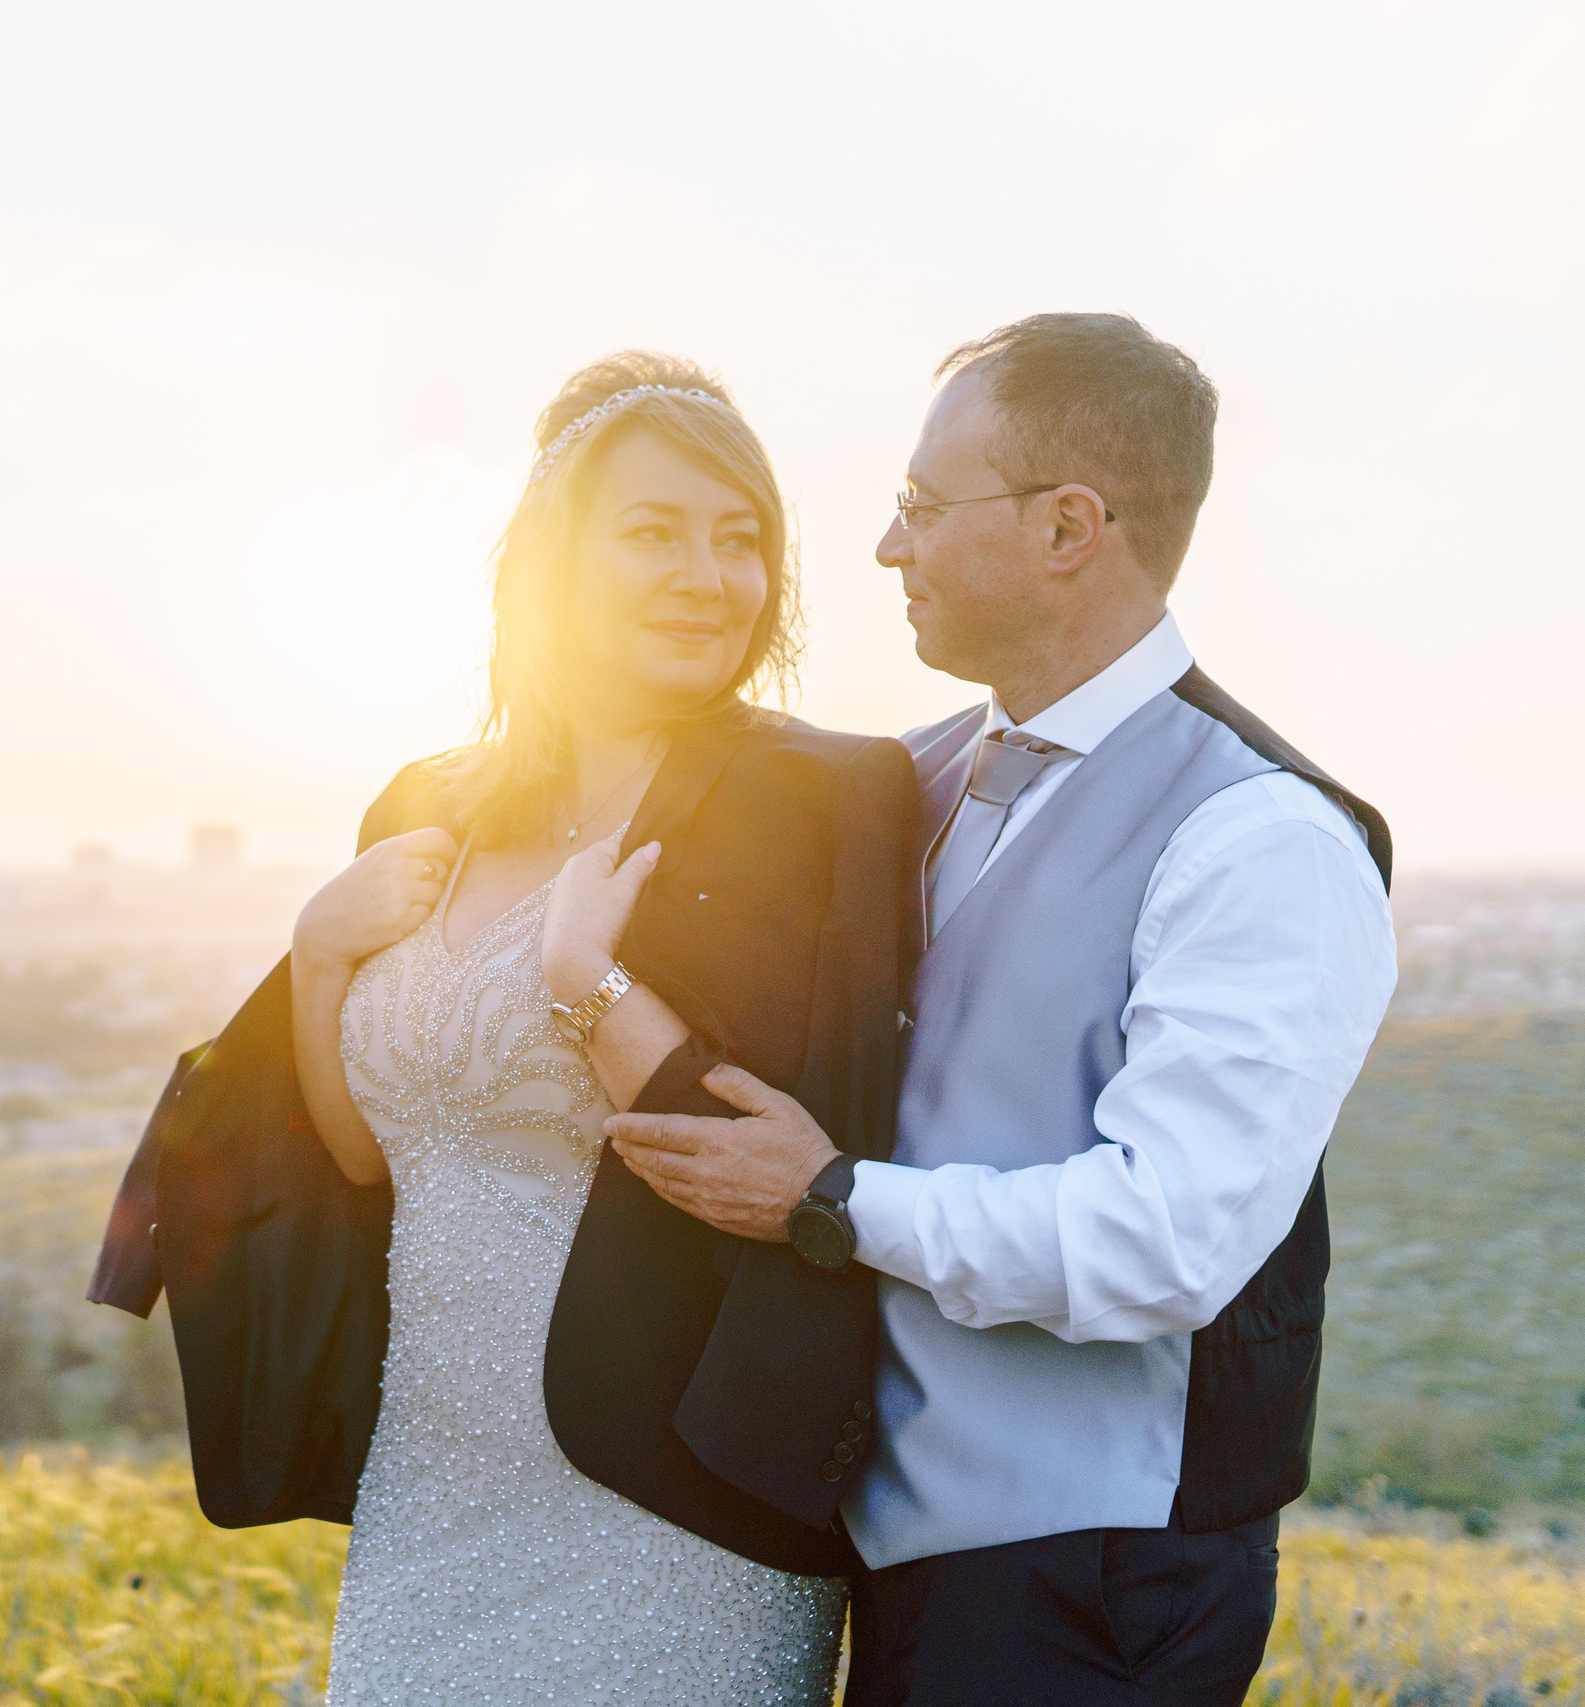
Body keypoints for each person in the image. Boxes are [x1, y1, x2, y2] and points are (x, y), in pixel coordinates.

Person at [91, 351, 919, 1705]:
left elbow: (766, 1167)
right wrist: (318, 956)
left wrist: (585, 975)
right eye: (654, 533)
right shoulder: (428, 801)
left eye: (741, 539)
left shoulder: (823, 797)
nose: (708, 576)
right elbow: (368, 1156)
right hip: (430, 1491)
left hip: (671, 1507)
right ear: (550, 564)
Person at [604, 313, 1397, 1706]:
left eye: (921, 505)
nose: (886, 547)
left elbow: (1167, 1239)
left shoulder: (1263, 837)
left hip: (1096, 1585)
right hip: (878, 1563)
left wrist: (833, 1197)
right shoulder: (905, 783)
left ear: (1067, 527)